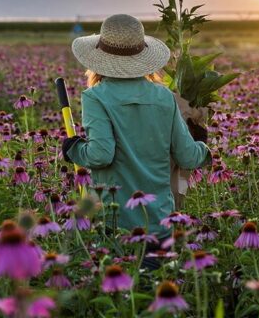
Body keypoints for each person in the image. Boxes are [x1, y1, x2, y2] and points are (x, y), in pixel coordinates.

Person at [62, 14, 210, 244]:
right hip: (160, 223)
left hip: (115, 224)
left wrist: (74, 148)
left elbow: (100, 154)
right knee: (160, 278)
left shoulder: (96, 97)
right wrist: (203, 145)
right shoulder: (164, 96)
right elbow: (188, 157)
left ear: (101, 57)